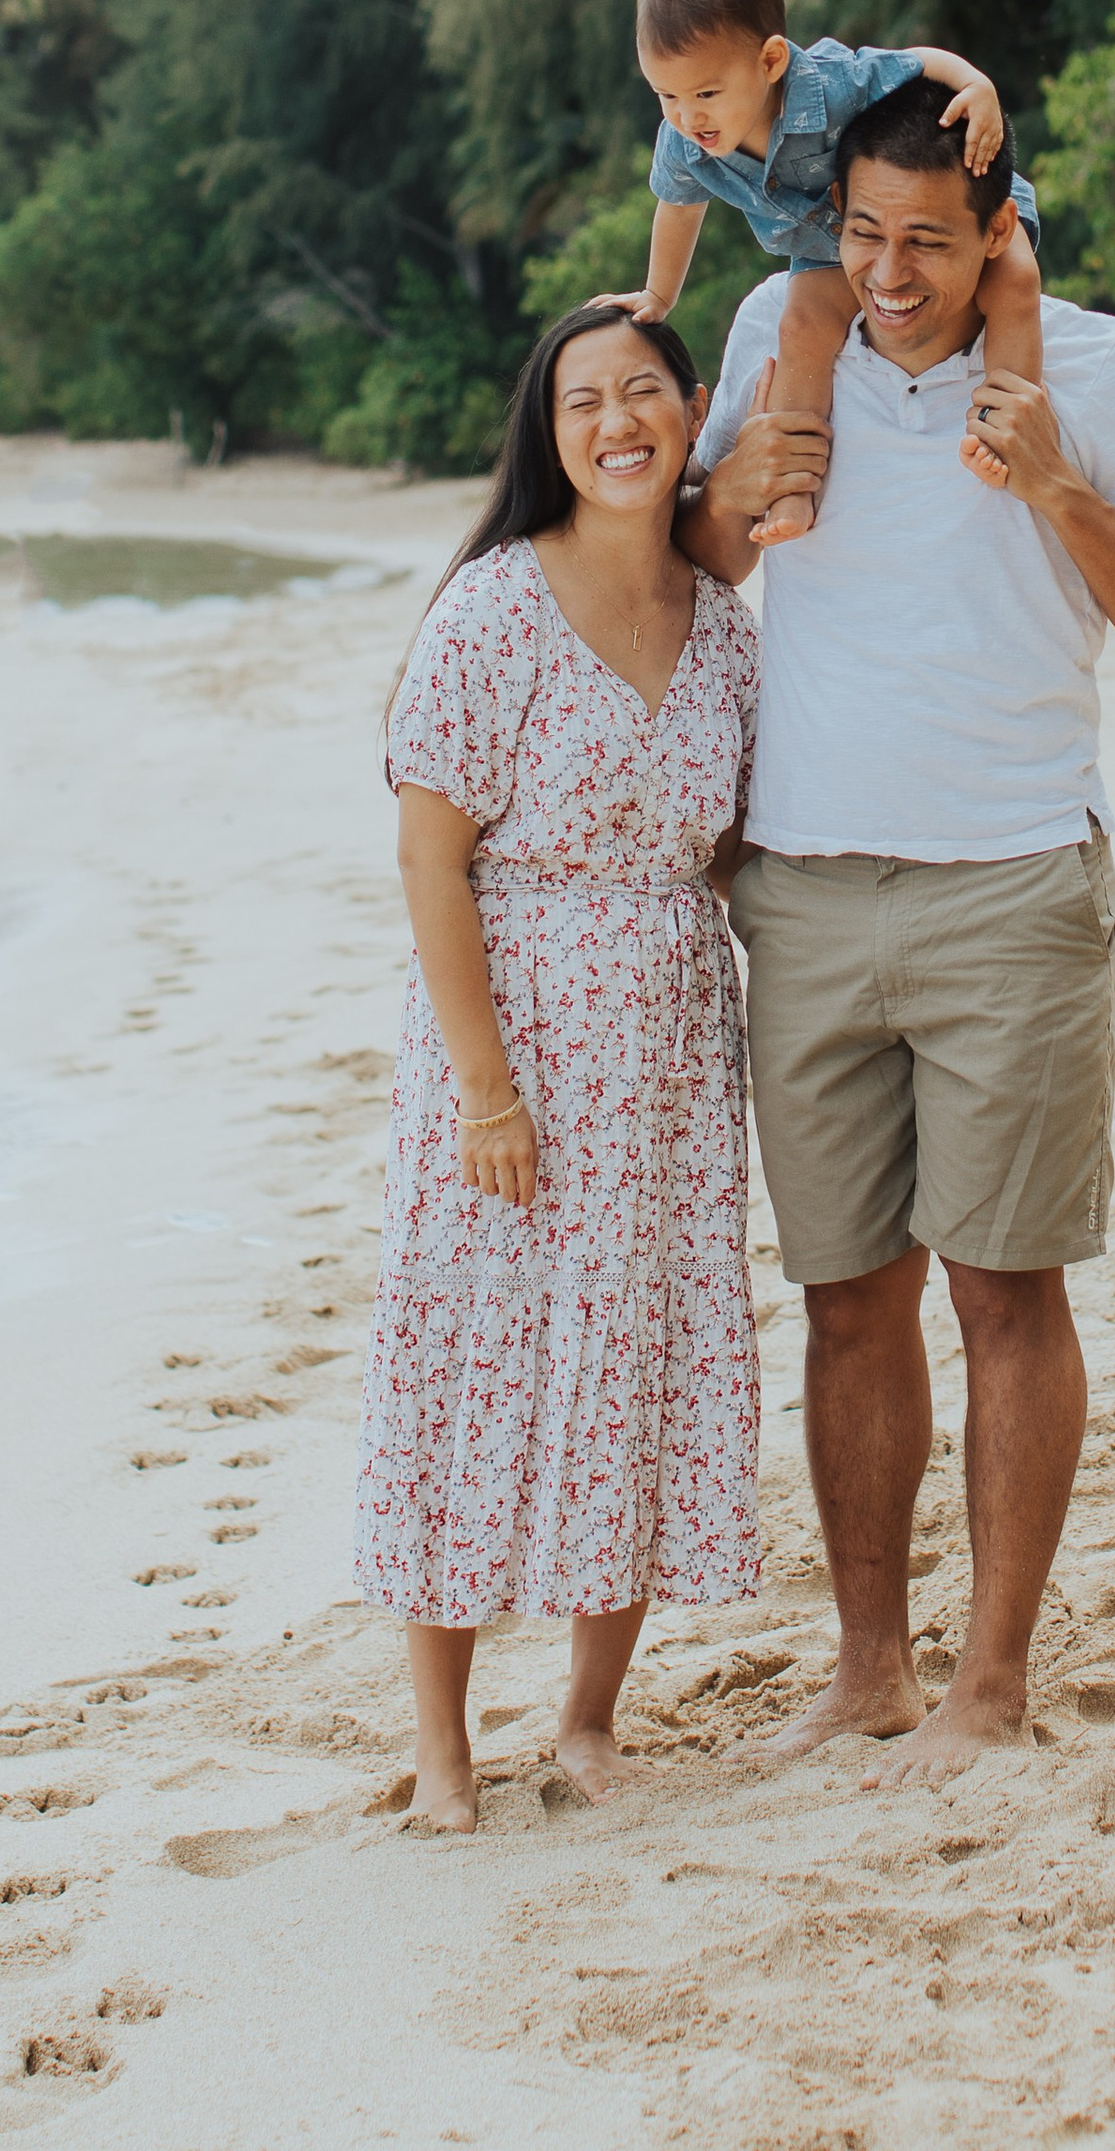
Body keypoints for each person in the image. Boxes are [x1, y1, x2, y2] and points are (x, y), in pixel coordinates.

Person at [680, 74, 1115, 1786]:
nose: (891, 273)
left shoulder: (1097, 367)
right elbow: (692, 560)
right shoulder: (782, 338)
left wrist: (1061, 490)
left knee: (1007, 1289)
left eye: (929, 240)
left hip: (1013, 881)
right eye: (863, 233)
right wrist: (730, 491)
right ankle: (870, 1669)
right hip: (806, 890)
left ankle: (992, 1682)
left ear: (1004, 231)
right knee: (848, 1298)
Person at [354, 303, 761, 1834]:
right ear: (550, 429)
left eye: (641, 392)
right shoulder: (492, 611)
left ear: (689, 410)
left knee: (637, 1360)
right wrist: (486, 1089)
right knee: (472, 1357)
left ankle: (590, 1720)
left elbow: (732, 848)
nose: (614, 423)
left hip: (668, 1060)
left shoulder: (726, 627)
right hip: (511, 1043)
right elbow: (429, 860)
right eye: (582, 399)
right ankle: (443, 1748)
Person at [608, 0, 1043, 546]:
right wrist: (659, 293)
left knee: (1015, 281)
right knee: (801, 329)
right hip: (828, 247)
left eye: (705, 94)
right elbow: (679, 209)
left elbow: (916, 61)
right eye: (666, 95)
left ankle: (1006, 428)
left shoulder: (832, 83)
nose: (687, 115)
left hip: (937, 217)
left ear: (770, 61)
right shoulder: (684, 142)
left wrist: (979, 87)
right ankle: (794, 487)